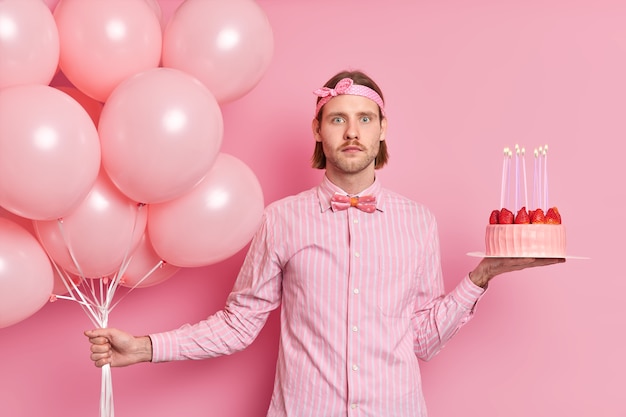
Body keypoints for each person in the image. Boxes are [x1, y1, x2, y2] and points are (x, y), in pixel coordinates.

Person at [85, 70, 564, 416]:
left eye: (364, 119)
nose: (352, 132)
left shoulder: (418, 222)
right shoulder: (281, 219)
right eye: (337, 119)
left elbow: (423, 340)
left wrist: (482, 276)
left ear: (381, 131)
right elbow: (238, 326)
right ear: (318, 130)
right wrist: (146, 347)